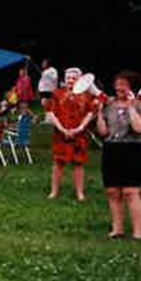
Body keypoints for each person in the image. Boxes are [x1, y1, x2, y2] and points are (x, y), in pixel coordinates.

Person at [96, 71, 141, 240]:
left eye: (123, 85)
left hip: (133, 150)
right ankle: (117, 229)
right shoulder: (109, 105)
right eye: (117, 84)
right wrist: (99, 113)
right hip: (112, 149)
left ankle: (138, 232)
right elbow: (103, 132)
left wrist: (131, 106)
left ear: (132, 87)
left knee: (130, 191)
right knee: (112, 191)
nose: (119, 88)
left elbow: (139, 128)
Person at [47, 67, 96, 201]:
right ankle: (54, 192)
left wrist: (80, 128)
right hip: (60, 133)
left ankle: (80, 193)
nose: (70, 80)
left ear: (80, 80)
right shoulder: (57, 93)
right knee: (58, 162)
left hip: (79, 134)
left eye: (74, 78)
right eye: (68, 78)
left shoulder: (86, 95)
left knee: (78, 163)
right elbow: (51, 112)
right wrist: (61, 129)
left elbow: (90, 113)